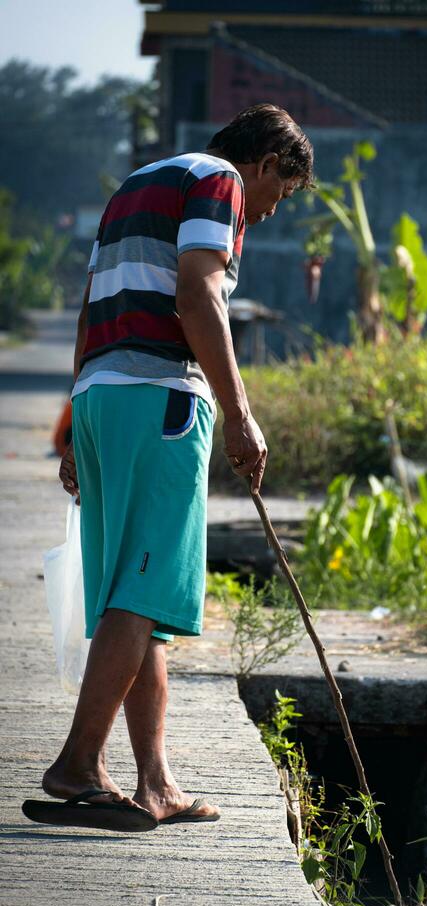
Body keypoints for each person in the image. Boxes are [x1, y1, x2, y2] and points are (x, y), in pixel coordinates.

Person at [23, 104, 314, 832]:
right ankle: (79, 764)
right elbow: (199, 294)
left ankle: (156, 783)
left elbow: (92, 309)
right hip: (159, 397)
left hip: (100, 396)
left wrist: (74, 424)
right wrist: (240, 413)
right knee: (143, 589)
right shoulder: (221, 182)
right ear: (269, 162)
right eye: (282, 193)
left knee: (137, 596)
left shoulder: (138, 185)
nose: (272, 212)